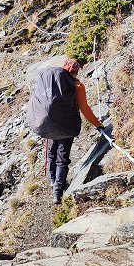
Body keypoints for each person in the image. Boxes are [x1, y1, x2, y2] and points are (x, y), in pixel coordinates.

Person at [47, 58, 106, 205]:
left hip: (50, 124)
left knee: (51, 153)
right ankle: (57, 192)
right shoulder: (78, 86)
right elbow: (84, 108)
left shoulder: (52, 82)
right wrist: (98, 125)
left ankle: (54, 181)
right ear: (77, 71)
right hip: (67, 126)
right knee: (62, 157)